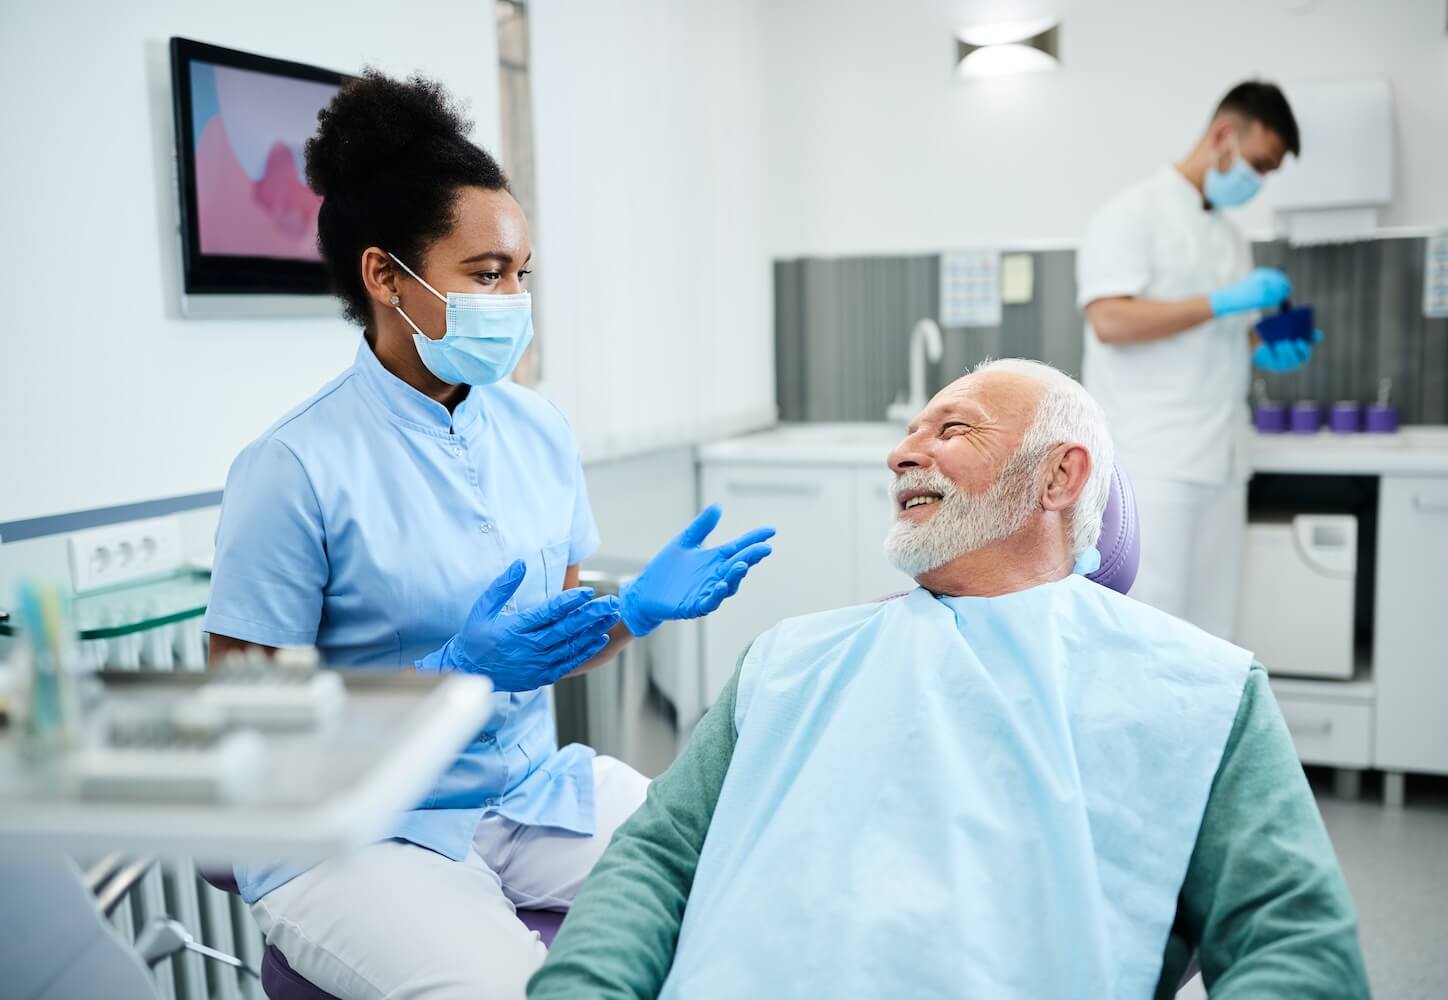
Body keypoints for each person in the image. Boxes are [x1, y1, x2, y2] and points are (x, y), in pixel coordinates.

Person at [528, 360, 1369, 999]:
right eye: (908, 433)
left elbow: (1291, 940)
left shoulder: (1199, 690)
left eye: (952, 430)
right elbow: (659, 857)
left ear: (1059, 476)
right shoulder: (790, 661)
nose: (902, 453)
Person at [202, 71, 774, 999]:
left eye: (521, 273)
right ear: (385, 275)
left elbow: (545, 644)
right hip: (359, 829)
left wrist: (627, 612)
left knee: (756, 873)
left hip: (527, 794)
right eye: (485, 274)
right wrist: (447, 680)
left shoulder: (536, 429)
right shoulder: (293, 467)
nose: (513, 297)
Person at [1077, 80, 1315, 638]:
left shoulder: (1232, 238)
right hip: (1154, 458)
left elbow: (1217, 336)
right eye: (1259, 163)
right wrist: (1220, 302)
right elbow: (1109, 320)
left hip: (1222, 457)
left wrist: (1266, 346)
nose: (1259, 181)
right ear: (1223, 136)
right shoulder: (1131, 214)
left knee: (1211, 633)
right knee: (1149, 627)